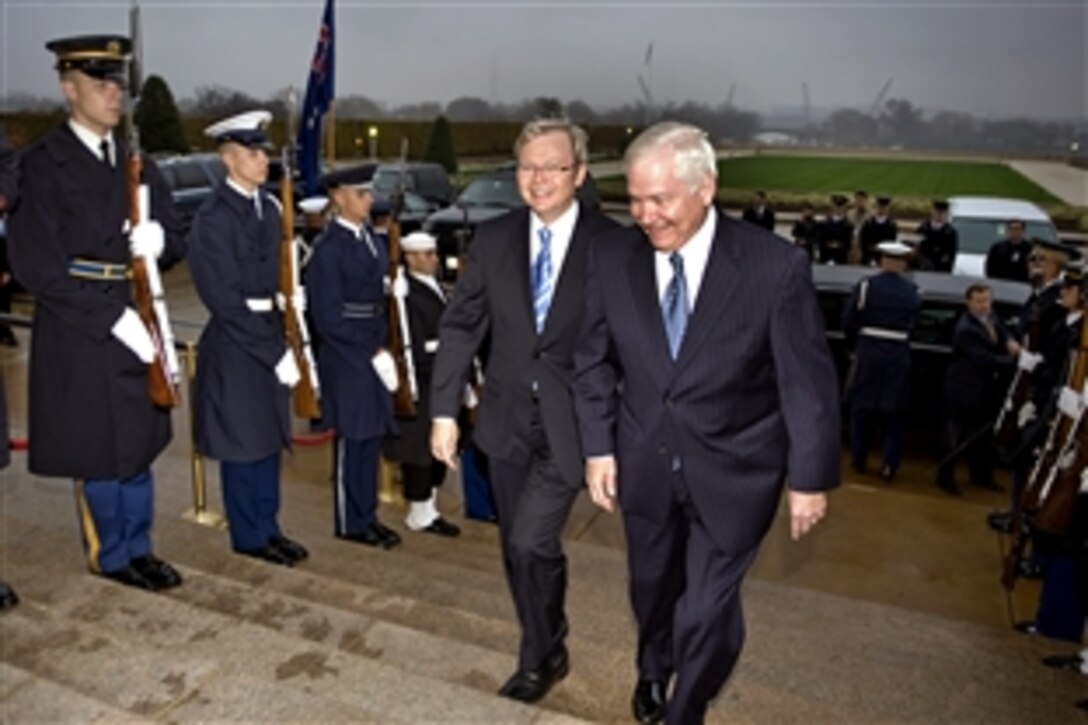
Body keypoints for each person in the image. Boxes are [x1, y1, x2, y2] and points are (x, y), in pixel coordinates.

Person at [573, 122, 840, 724]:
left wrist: (809, 477)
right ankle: (652, 669)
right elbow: (590, 359)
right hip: (641, 463)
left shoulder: (775, 267)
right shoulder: (612, 256)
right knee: (653, 593)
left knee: (706, 609)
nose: (644, 215)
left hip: (736, 471)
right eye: (635, 199)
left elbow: (806, 380)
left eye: (660, 199)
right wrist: (598, 448)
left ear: (706, 187)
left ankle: (684, 711)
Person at [430, 118, 619, 704]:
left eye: (553, 167)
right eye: (527, 167)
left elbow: (633, 344)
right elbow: (462, 326)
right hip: (505, 420)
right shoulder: (492, 240)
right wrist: (443, 411)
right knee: (518, 546)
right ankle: (545, 636)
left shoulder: (614, 246)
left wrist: (612, 439)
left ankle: (541, 653)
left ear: (579, 173)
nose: (538, 180)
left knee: (530, 542)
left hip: (572, 424)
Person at [8, 34, 185, 591]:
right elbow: (36, 264)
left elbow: (177, 237)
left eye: (118, 84)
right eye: (100, 83)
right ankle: (113, 554)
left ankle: (140, 545)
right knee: (100, 446)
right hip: (80, 326)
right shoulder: (42, 165)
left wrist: (159, 242)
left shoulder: (136, 163)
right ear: (69, 88)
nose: (115, 94)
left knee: (136, 440)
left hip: (138, 312)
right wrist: (110, 318)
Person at [187, 110, 308, 567]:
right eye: (252, 153)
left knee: (268, 440)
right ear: (228, 158)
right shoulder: (214, 218)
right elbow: (224, 298)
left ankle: (269, 525)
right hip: (239, 342)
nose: (263, 161)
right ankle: (248, 535)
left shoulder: (270, 207)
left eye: (263, 152)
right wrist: (273, 350)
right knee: (244, 444)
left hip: (270, 331)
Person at [306, 164, 402, 549]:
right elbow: (327, 317)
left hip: (373, 346)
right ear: (338, 198)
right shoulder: (329, 250)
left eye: (368, 193)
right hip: (349, 355)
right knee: (353, 441)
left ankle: (368, 515)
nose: (369, 200)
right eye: (360, 194)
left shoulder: (371, 240)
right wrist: (370, 349)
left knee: (371, 438)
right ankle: (350, 521)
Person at [383, 230, 460, 537]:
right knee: (420, 447)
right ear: (410, 258)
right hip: (424, 374)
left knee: (438, 447)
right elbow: (410, 337)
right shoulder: (406, 292)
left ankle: (429, 507)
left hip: (442, 373)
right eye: (425, 255)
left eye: (433, 254)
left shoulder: (433, 286)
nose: (432, 260)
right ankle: (420, 511)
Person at [842, 241, 921, 481]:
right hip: (898, 353)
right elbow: (916, 323)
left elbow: (849, 320)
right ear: (903, 263)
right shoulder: (913, 290)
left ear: (882, 261)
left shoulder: (866, 286)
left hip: (868, 350)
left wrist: (855, 345)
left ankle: (859, 458)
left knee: (862, 408)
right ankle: (889, 464)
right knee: (893, 412)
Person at [935, 284, 1019, 496]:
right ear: (968, 303)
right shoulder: (966, 329)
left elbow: (1003, 329)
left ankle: (981, 476)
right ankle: (945, 478)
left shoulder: (991, 318)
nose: (983, 306)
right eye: (978, 301)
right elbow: (983, 358)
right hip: (963, 389)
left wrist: (1010, 340)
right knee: (955, 435)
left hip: (986, 390)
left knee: (984, 435)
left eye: (987, 301)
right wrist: (1017, 362)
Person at [915, 199, 958, 272]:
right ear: (932, 212)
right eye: (937, 212)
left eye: (942, 213)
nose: (939, 215)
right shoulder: (923, 228)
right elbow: (917, 248)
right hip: (923, 268)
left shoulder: (950, 232)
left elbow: (951, 254)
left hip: (940, 269)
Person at [985, 218, 1031, 283]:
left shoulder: (1030, 249)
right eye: (1011, 229)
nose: (1014, 232)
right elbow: (990, 269)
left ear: (1023, 231)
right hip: (1003, 284)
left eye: (1017, 229)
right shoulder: (997, 248)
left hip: (1024, 285)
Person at [858, 196, 898, 266]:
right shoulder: (869, 223)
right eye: (879, 207)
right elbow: (863, 240)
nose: (881, 210)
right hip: (869, 256)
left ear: (887, 209)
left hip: (883, 257)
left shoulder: (891, 225)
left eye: (884, 208)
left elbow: (892, 241)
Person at [815, 194, 853, 265]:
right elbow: (821, 240)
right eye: (836, 207)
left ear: (844, 208)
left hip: (840, 255)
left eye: (840, 207)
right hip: (827, 254)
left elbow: (848, 242)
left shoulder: (848, 225)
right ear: (832, 208)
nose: (838, 210)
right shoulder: (824, 223)